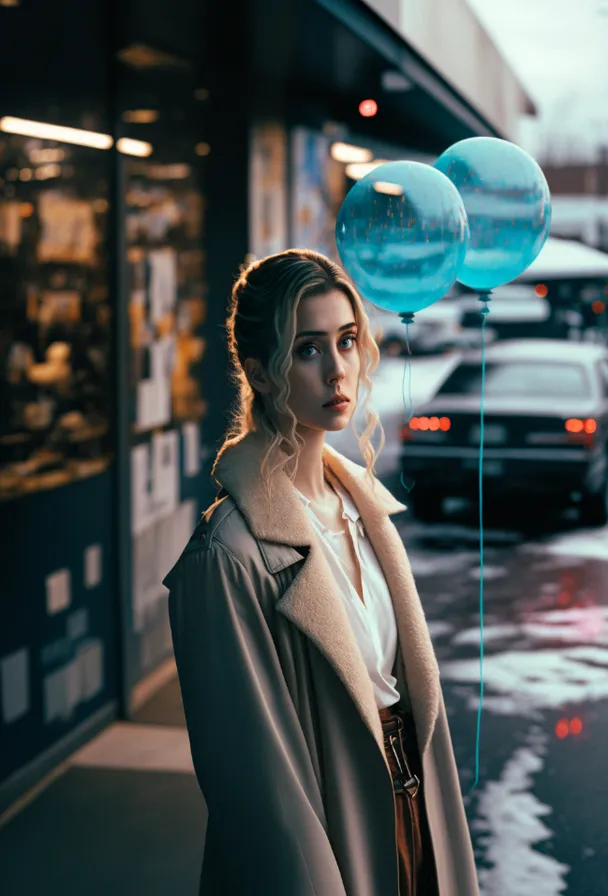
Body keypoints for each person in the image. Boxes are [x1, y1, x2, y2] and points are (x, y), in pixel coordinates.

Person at [163, 249, 479, 896]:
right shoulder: (228, 556)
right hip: (331, 843)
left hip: (414, 818)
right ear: (260, 371)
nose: (337, 369)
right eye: (308, 349)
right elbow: (258, 795)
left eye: (347, 341)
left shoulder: (366, 512)